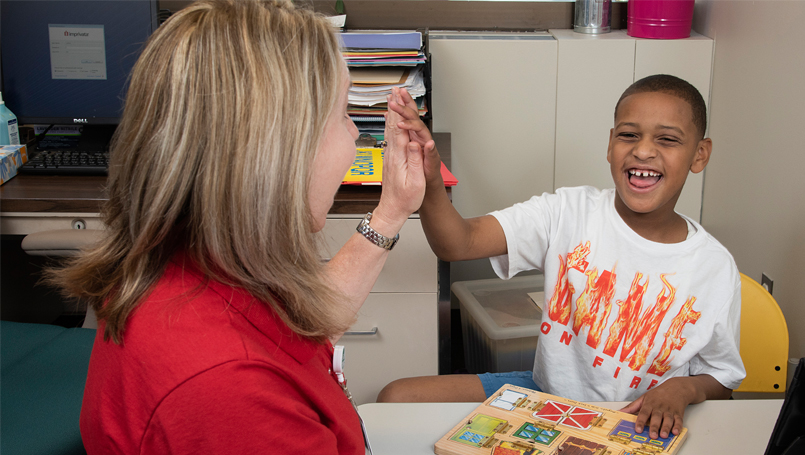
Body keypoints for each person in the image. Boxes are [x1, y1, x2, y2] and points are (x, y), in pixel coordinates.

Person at [47, 1, 426, 453]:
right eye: (342, 114)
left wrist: (391, 211)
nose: (356, 137)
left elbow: (294, 337)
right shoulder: (230, 392)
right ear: (278, 152)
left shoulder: (192, 263)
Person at [377, 74, 746, 441]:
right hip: (546, 400)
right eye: (629, 134)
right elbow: (459, 243)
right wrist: (430, 181)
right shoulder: (568, 212)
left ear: (700, 154)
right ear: (610, 144)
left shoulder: (714, 267)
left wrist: (682, 390)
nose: (644, 150)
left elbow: (722, 378)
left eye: (667, 139)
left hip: (633, 424)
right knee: (397, 398)